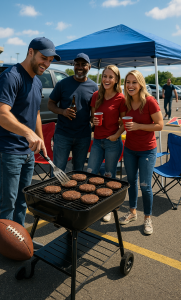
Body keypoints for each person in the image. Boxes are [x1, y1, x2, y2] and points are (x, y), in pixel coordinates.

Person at [0, 37, 60, 228]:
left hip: (28, 152)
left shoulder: (37, 82)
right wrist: (27, 133)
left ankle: (19, 240)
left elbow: (36, 113)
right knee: (7, 203)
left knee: (23, 201)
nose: (46, 64)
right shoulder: (10, 76)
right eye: (43, 58)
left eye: (50, 60)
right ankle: (4, 246)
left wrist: (40, 140)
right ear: (31, 52)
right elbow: (0, 113)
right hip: (9, 150)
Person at [119, 70, 163, 235]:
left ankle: (147, 218)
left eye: (134, 82)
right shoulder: (126, 102)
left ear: (140, 84)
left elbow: (160, 125)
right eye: (128, 82)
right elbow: (123, 122)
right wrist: (116, 133)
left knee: (145, 186)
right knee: (130, 182)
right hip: (130, 149)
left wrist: (138, 126)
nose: (130, 85)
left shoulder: (149, 102)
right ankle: (132, 212)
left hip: (147, 151)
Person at [87, 65, 126, 222]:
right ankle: (90, 203)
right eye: (105, 76)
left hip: (112, 142)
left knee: (109, 176)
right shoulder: (96, 95)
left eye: (111, 77)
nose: (107, 79)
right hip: (97, 141)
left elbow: (125, 122)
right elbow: (92, 118)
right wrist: (93, 121)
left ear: (116, 80)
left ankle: (109, 207)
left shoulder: (121, 98)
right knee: (90, 172)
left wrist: (116, 135)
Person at [48, 53, 98, 172]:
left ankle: (75, 191)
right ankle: (55, 191)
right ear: (73, 66)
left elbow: (93, 112)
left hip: (83, 136)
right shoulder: (63, 84)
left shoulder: (93, 87)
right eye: (77, 64)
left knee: (78, 172)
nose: (79, 67)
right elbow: (50, 103)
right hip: (63, 135)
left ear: (89, 67)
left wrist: (95, 121)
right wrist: (63, 111)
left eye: (83, 64)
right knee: (58, 171)